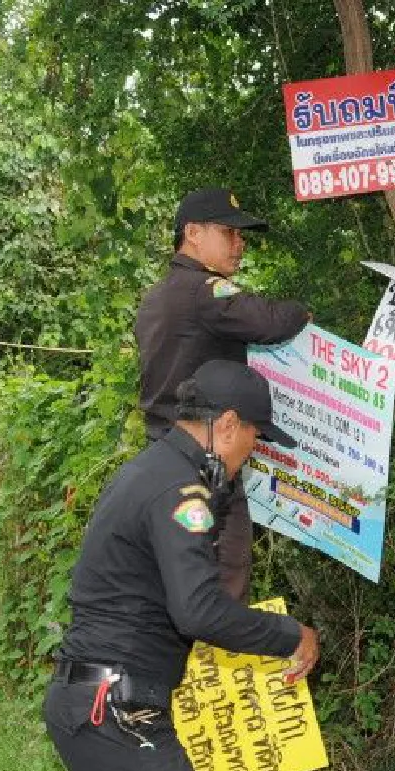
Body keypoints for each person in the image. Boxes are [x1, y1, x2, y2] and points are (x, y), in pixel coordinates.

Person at [44, 360, 320, 771]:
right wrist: (290, 635)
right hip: (112, 709)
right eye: (255, 437)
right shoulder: (181, 492)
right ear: (228, 425)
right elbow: (199, 611)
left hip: (101, 701)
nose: (253, 451)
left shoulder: (154, 471)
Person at [135, 188, 309, 602]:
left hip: (162, 458)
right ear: (193, 233)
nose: (239, 243)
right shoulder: (204, 291)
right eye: (229, 233)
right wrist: (303, 313)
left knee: (179, 585)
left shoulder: (154, 298)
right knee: (222, 587)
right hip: (208, 464)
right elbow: (269, 322)